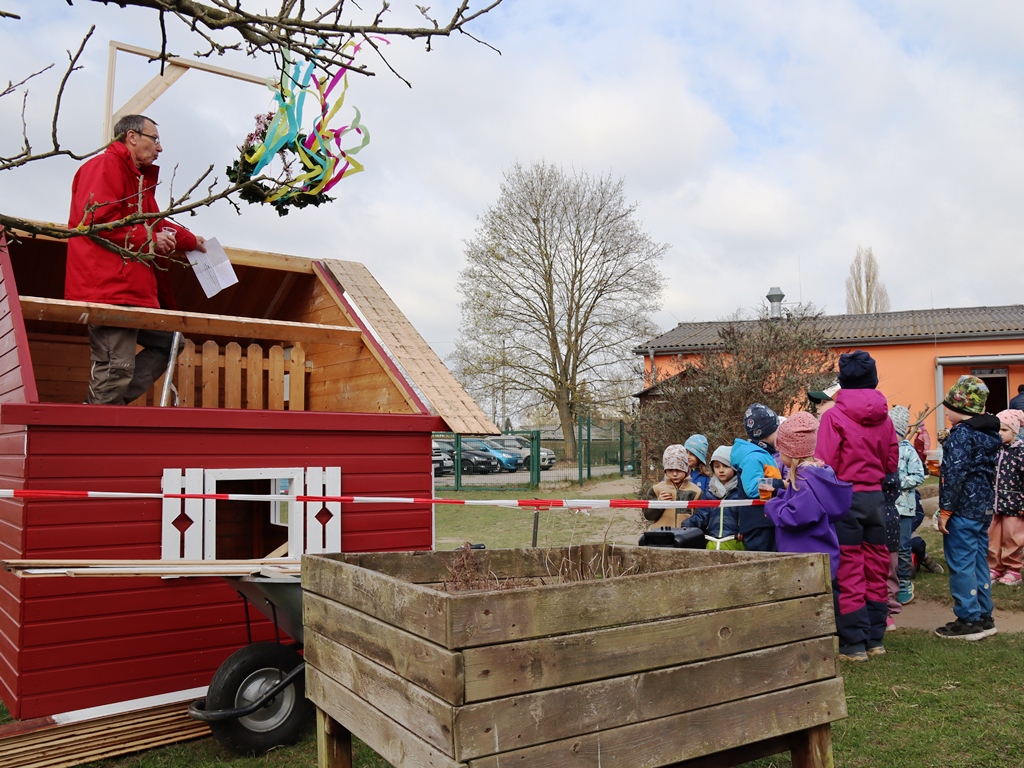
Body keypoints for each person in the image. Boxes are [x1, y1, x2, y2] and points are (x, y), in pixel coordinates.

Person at [66, 113, 206, 405]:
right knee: (116, 366)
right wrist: (149, 239)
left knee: (170, 343)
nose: (160, 148)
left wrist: (191, 241)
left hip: (131, 290)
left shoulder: (136, 178)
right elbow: (96, 222)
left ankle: (105, 407)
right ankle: (99, 418)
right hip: (109, 288)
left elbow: (154, 222)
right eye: (154, 139)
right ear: (131, 137)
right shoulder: (104, 166)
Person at [815, 350, 898, 662]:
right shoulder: (886, 418)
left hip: (845, 498)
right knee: (877, 565)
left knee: (849, 567)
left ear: (842, 381)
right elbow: (892, 461)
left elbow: (825, 463)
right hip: (876, 498)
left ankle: (853, 643)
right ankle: (875, 638)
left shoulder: (833, 417)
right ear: (873, 380)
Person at [934, 375, 1002, 640]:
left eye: (948, 407)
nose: (946, 412)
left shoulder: (962, 434)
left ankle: (968, 620)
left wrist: (946, 510)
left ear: (960, 409)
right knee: (977, 561)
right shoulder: (988, 433)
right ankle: (984, 616)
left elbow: (954, 474)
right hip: (983, 507)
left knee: (961, 563)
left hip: (962, 509)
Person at [765, 412, 852, 583]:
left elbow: (796, 516)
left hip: (807, 562)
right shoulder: (818, 474)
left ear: (790, 453)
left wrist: (772, 505)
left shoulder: (804, 482)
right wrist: (782, 494)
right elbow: (806, 504)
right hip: (817, 556)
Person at [731, 403, 783, 552]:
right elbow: (753, 489)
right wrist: (781, 484)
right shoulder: (753, 457)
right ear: (767, 433)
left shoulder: (764, 455)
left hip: (766, 520)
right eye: (777, 430)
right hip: (759, 523)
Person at [890, 406, 925, 605]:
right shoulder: (883, 450)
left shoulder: (908, 451)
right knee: (889, 546)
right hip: (887, 506)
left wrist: (898, 482)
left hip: (904, 508)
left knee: (903, 546)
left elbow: (919, 476)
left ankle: (904, 582)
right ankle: (890, 580)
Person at [682, 446, 745, 550]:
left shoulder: (741, 492)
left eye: (726, 466)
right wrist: (688, 524)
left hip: (736, 543)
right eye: (717, 466)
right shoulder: (709, 493)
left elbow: (745, 516)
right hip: (713, 543)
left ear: (734, 468)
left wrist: (744, 529)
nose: (721, 470)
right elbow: (702, 515)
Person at [988, 409, 1024, 587]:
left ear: (1014, 430)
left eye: (1004, 430)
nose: (999, 434)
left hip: (1014, 504)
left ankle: (1013, 569)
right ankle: (995, 566)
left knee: (1013, 537)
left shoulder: (1021, 451)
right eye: (997, 430)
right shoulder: (993, 449)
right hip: (994, 502)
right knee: (992, 536)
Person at [645, 445, 702, 528]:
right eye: (670, 470)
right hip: (661, 538)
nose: (675, 474)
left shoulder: (696, 492)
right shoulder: (656, 489)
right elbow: (648, 516)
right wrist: (658, 504)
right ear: (665, 470)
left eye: (678, 470)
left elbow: (701, 518)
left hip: (687, 537)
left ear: (686, 469)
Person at [683, 434, 711, 498]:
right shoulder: (676, 473)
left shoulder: (705, 479)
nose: (688, 457)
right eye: (686, 452)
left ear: (699, 457)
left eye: (692, 454)